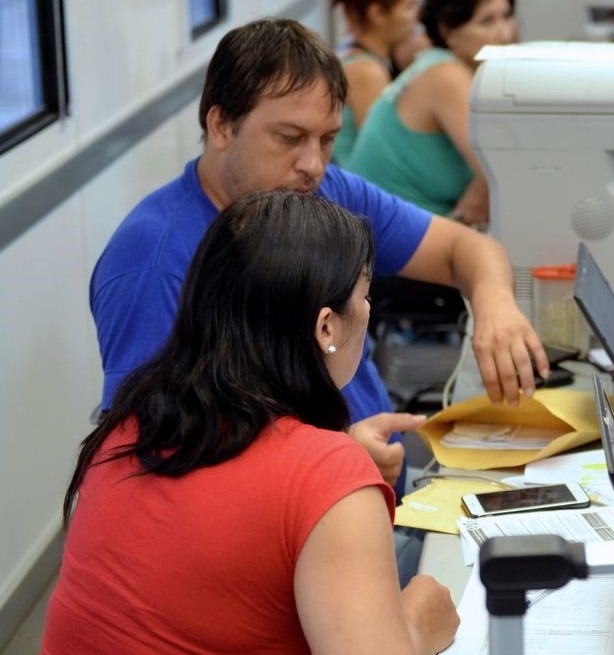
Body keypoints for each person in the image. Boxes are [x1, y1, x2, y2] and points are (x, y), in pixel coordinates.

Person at [90, 18, 547, 505]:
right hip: (302, 531)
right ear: (221, 125)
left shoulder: (323, 192)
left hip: (371, 494)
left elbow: (466, 249)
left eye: (327, 140)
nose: (313, 164)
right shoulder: (154, 264)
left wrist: (495, 304)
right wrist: (331, 462)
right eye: (289, 138)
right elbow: (152, 470)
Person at [45, 191, 460, 654]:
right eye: (366, 295)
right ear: (326, 327)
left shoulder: (129, 425)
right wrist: (419, 627)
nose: (367, 311)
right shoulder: (329, 473)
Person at [347, 0, 515, 227]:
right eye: (486, 22)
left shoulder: (440, 66)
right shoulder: (445, 75)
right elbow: (503, 170)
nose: (505, 34)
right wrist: (483, 183)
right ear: (448, 31)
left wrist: (482, 184)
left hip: (407, 230)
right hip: (392, 240)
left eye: (506, 16)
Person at [331, 0, 423, 167]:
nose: (417, 16)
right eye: (409, 7)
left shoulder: (360, 54)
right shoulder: (366, 70)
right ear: (377, 14)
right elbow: (383, 152)